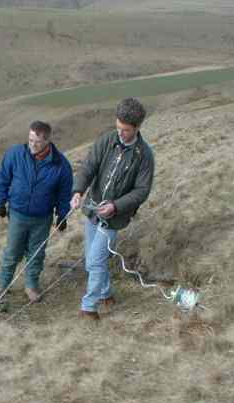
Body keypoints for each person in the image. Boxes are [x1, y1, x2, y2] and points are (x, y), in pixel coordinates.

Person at [70, 98, 154, 320]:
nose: (120, 133)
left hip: (114, 218)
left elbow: (142, 191)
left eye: (125, 130)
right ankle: (106, 294)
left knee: (95, 261)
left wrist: (116, 206)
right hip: (92, 209)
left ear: (137, 128)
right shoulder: (107, 140)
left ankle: (89, 308)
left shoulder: (144, 155)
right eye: (118, 127)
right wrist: (78, 191)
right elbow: (89, 167)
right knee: (91, 258)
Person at [0, 121, 73, 303]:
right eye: (30, 140)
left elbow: (64, 192)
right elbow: (3, 178)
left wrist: (62, 214)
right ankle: (3, 284)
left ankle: (31, 285)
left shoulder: (61, 165)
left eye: (36, 142)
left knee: (36, 253)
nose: (32, 145)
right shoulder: (15, 154)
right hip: (18, 214)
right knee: (12, 251)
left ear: (47, 141)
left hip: (42, 218)